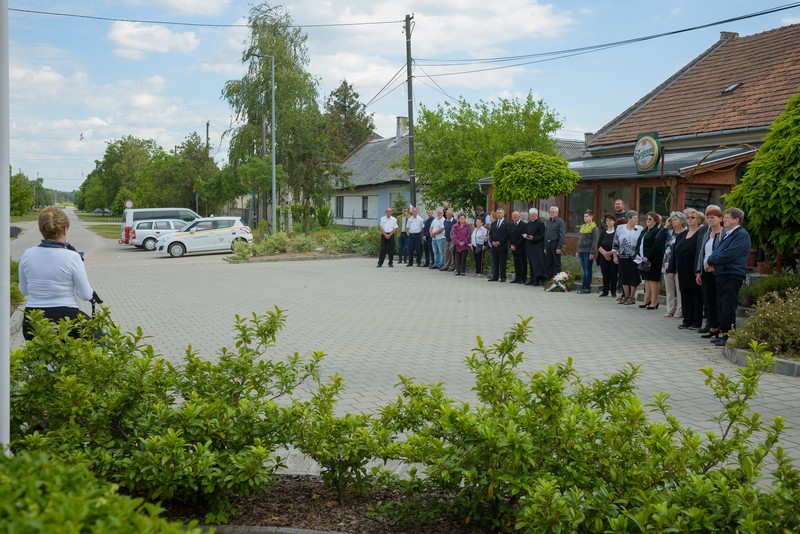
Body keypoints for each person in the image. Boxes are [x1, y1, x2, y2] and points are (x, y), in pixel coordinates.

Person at [18, 207, 96, 341]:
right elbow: (85, 295)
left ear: (41, 229)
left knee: (37, 354)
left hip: (33, 318)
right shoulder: (72, 256)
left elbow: (24, 291)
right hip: (66, 319)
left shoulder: (27, 254)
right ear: (65, 230)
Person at [705, 208, 751, 347]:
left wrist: (711, 261)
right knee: (722, 304)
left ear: (736, 220)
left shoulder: (741, 234)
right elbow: (719, 250)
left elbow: (729, 253)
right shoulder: (729, 233)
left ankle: (728, 335)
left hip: (731, 274)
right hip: (723, 273)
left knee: (728, 306)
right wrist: (712, 261)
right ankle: (723, 333)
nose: (724, 219)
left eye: (727, 217)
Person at [669, 208, 705, 329]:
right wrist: (671, 269)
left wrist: (698, 271)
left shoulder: (701, 234)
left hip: (693, 269)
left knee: (695, 295)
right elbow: (675, 253)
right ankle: (687, 319)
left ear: (699, 220)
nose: (689, 219)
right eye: (688, 218)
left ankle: (696, 321)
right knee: (684, 294)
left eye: (692, 218)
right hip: (682, 269)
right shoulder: (682, 235)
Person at [695, 206, 725, 338]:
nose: (710, 220)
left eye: (713, 217)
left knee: (719, 300)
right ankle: (712, 327)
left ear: (720, 219)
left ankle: (721, 327)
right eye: (708, 217)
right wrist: (698, 271)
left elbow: (723, 253)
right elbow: (702, 253)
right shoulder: (707, 234)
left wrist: (714, 265)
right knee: (709, 300)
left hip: (718, 271)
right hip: (705, 271)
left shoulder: (724, 234)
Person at [612, 210, 643, 305]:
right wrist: (615, 256)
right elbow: (615, 243)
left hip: (635, 257)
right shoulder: (620, 228)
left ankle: (632, 297)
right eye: (635, 218)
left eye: (637, 218)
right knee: (624, 276)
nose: (637, 220)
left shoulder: (640, 229)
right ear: (629, 219)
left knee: (634, 276)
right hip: (623, 256)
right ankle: (626, 296)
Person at [636, 211, 665, 309]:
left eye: (650, 219)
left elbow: (657, 246)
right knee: (647, 280)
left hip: (654, 260)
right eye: (647, 219)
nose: (648, 221)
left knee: (653, 280)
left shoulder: (657, 231)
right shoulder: (644, 231)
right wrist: (637, 253)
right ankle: (646, 300)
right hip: (643, 259)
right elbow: (639, 243)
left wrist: (648, 256)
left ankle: (654, 302)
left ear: (656, 221)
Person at [663, 213, 684, 318]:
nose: (673, 222)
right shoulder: (669, 233)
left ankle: (680, 310)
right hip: (667, 263)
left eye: (675, 219)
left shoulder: (685, 233)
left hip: (679, 264)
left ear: (682, 221)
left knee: (679, 289)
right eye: (672, 220)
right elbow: (658, 238)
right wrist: (666, 226)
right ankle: (670, 309)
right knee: (669, 289)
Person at [575, 209, 598, 294]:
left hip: (588, 251)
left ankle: (587, 287)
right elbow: (579, 240)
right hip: (581, 250)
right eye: (584, 216)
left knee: (588, 270)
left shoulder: (594, 227)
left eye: (587, 216)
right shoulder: (583, 226)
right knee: (584, 270)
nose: (585, 218)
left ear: (591, 217)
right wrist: (577, 250)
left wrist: (592, 252)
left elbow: (595, 241)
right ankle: (583, 286)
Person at [596, 213, 618, 297]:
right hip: (603, 256)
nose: (608, 222)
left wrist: (610, 253)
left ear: (614, 221)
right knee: (605, 274)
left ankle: (613, 292)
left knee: (613, 274)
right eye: (607, 220)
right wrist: (605, 254)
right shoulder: (603, 233)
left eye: (610, 220)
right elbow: (599, 245)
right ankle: (605, 291)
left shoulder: (616, 233)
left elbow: (617, 245)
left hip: (613, 256)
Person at [524, 208, 546, 285]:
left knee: (537, 264)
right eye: (530, 215)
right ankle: (532, 279)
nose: (531, 217)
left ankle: (537, 279)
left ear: (536, 215)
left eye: (533, 215)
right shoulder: (528, 224)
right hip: (530, 246)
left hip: (537, 246)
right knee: (531, 263)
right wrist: (526, 235)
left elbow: (542, 236)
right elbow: (526, 232)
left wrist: (533, 238)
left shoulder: (540, 223)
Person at [488, 208, 510, 282]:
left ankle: (503, 277)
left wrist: (499, 242)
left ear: (503, 214)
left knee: (502, 262)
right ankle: (495, 276)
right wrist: (492, 242)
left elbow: (507, 234)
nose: (498, 214)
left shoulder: (507, 223)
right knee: (495, 262)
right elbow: (490, 233)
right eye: (497, 213)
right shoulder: (493, 223)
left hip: (502, 246)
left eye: (500, 213)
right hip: (494, 246)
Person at [544, 206, 566, 279]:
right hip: (548, 244)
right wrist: (545, 247)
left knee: (557, 263)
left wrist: (559, 247)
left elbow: (562, 235)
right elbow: (546, 235)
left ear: (557, 213)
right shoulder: (548, 222)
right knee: (549, 263)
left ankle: (557, 280)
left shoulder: (560, 222)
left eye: (553, 212)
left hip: (555, 244)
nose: (551, 213)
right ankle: (549, 280)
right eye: (550, 212)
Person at [509, 211, 528, 284]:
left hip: (521, 247)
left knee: (522, 263)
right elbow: (509, 235)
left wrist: (516, 245)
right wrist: (511, 245)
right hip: (513, 247)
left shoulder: (524, 225)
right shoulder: (511, 225)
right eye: (513, 217)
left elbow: (523, 237)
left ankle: (523, 278)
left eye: (515, 217)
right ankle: (517, 277)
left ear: (519, 217)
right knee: (516, 263)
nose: (514, 218)